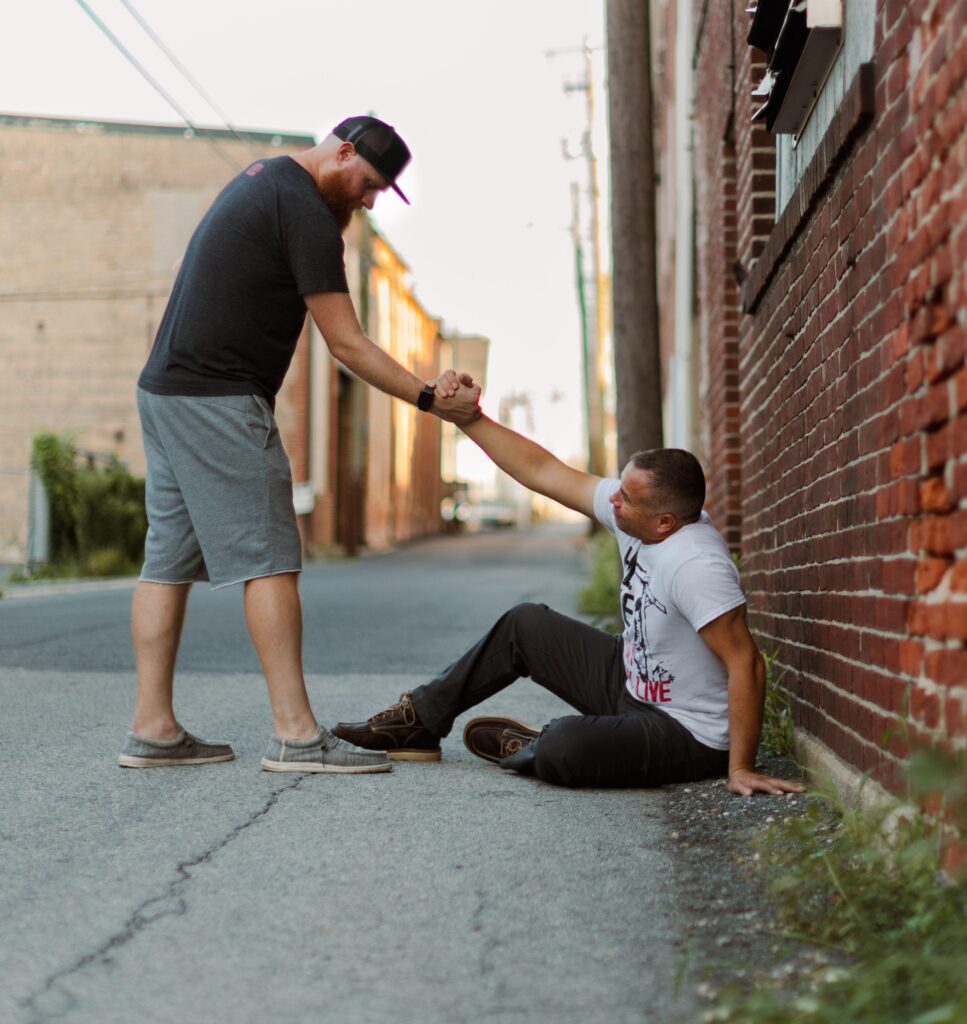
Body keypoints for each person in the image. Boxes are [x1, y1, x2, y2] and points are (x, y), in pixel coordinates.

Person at [118, 115, 480, 775]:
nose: (369, 202)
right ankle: (296, 735)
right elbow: (346, 343)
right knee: (272, 560)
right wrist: (429, 398)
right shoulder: (307, 213)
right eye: (369, 184)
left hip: (165, 390)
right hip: (217, 398)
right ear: (342, 152)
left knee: (167, 562)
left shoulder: (264, 178)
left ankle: (154, 729)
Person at [334, 409, 803, 796]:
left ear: (665, 522)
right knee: (526, 625)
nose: (612, 501)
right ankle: (420, 719)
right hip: (630, 684)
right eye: (618, 489)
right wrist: (468, 418)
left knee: (565, 745)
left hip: (686, 732)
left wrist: (739, 768)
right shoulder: (637, 514)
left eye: (626, 498)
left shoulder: (695, 564)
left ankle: (536, 745)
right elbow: (543, 470)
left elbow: (747, 663)